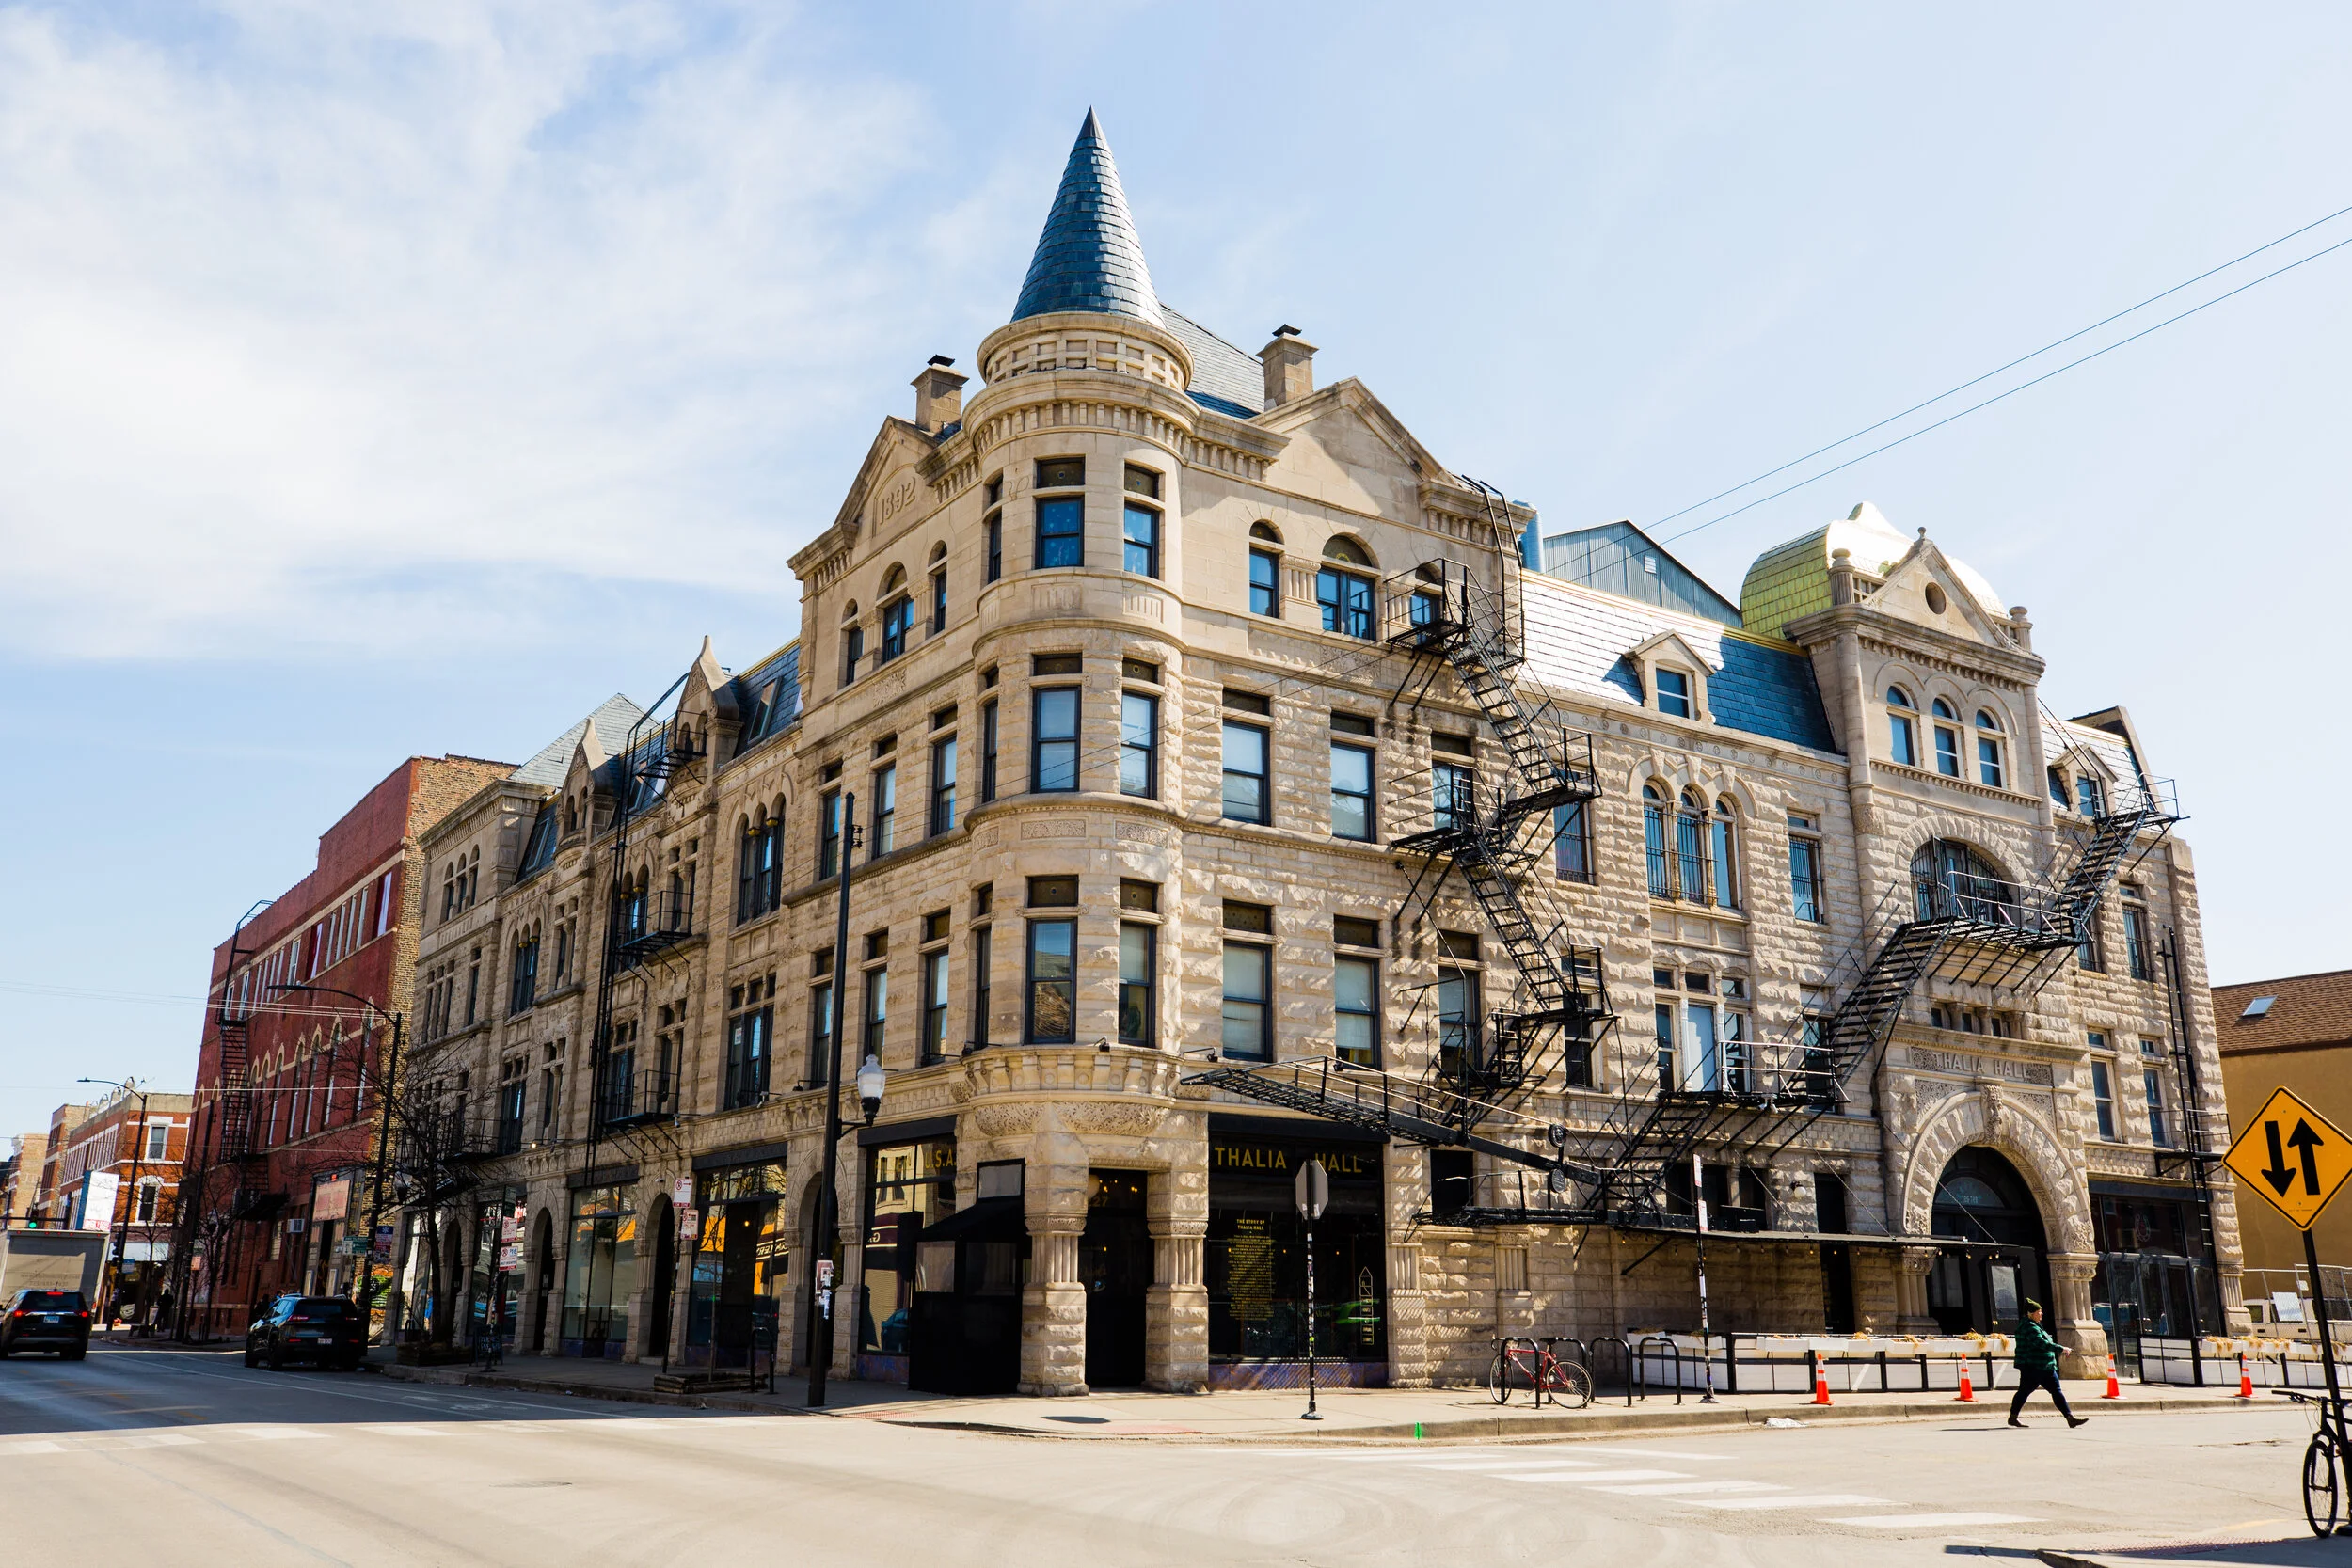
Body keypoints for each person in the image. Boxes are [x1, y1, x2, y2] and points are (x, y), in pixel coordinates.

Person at [2009, 1299, 2088, 1428]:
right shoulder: (2029, 1327)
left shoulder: (2034, 1325)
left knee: (2051, 1391)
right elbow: (2041, 1343)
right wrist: (2061, 1349)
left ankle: (2070, 1418)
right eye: (2038, 1312)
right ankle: (2013, 1417)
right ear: (2031, 1313)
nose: (2041, 1314)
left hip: (2043, 1366)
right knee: (2026, 1392)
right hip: (2035, 1366)